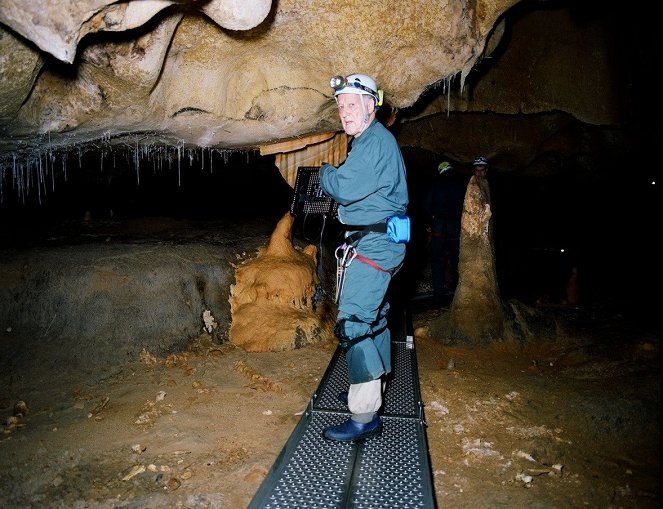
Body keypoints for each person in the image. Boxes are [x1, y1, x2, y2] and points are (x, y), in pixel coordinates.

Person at [319, 73, 408, 442]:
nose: (345, 112)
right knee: (375, 320)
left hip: (374, 247)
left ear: (372, 106)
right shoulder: (372, 141)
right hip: (382, 243)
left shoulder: (372, 143)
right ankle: (369, 386)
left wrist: (324, 171)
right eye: (341, 106)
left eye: (352, 104)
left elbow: (342, 186)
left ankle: (364, 414)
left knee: (354, 323)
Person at [424, 161, 467, 305]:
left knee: (437, 261)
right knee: (457, 261)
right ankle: (457, 291)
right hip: (455, 226)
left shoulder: (434, 185)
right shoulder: (459, 185)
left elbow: (428, 206)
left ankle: (438, 294)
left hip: (438, 227)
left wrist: (428, 225)